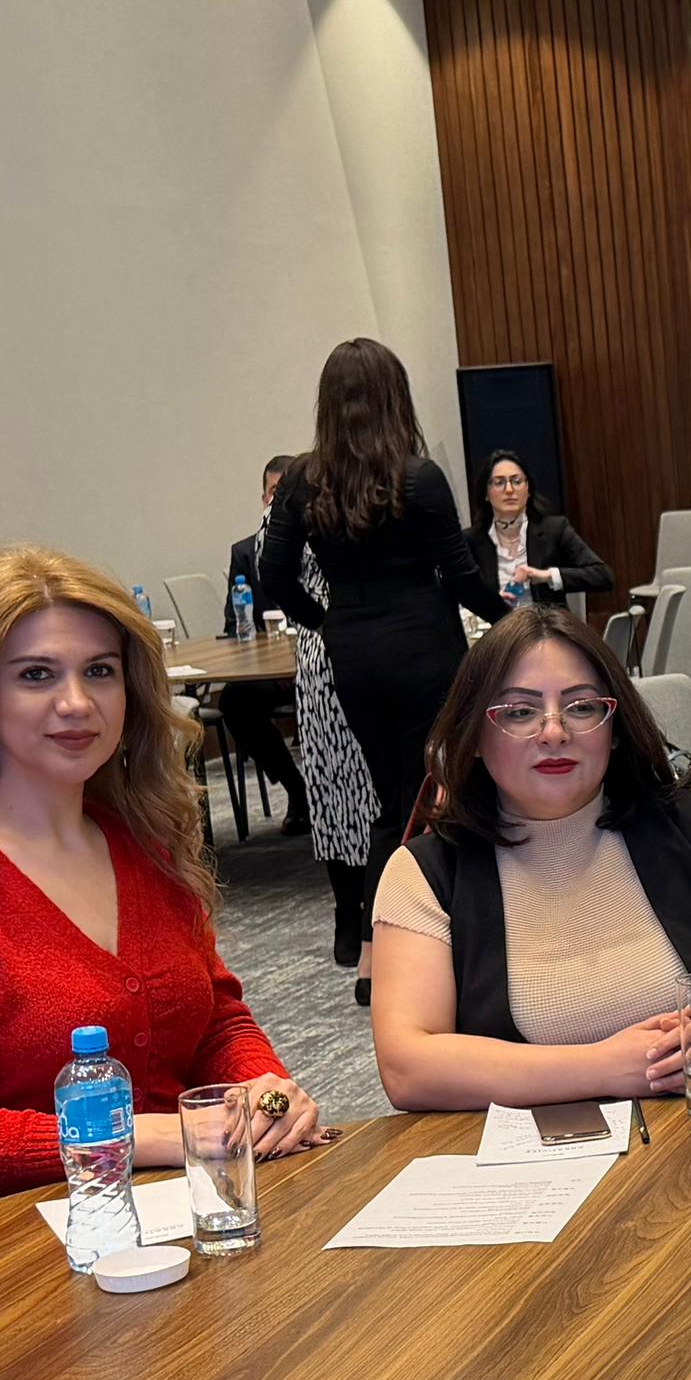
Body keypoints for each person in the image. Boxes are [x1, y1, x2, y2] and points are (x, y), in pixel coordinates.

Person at [0, 548, 325, 1218]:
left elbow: (214, 1020)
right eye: (36, 675)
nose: (76, 703)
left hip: (180, 1212)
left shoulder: (144, 844)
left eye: (100, 671)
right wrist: (147, 1136)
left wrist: (263, 1091)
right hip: (2, 1241)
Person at [370, 607, 691, 1110]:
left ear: (615, 726)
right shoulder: (427, 874)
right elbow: (408, 1067)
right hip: (535, 1155)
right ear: (474, 735)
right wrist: (607, 1067)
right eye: (519, 712)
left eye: (582, 707)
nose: (554, 732)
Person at [252, 340, 507, 966]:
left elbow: (273, 574)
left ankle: (374, 953)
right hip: (425, 647)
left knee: (392, 797)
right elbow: (461, 577)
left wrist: (324, 620)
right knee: (430, 793)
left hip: (353, 652)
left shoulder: (302, 480)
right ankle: (416, 947)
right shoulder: (418, 477)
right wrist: (515, 620)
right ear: (395, 397)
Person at [212, 462, 309, 836]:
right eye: (274, 493)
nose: (280, 502)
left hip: (322, 665)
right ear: (264, 499)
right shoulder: (245, 553)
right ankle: (296, 790)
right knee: (235, 702)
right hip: (270, 670)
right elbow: (233, 626)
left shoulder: (325, 547)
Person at [467, 453, 616, 608]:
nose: (509, 490)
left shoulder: (554, 529)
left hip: (546, 622)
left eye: (517, 481)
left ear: (528, 490)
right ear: (486, 493)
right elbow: (458, 594)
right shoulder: (471, 540)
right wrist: (489, 603)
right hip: (496, 623)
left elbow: (602, 576)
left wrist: (546, 576)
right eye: (499, 483)